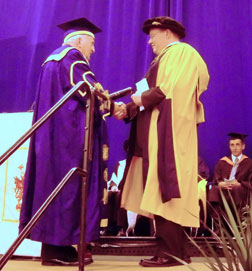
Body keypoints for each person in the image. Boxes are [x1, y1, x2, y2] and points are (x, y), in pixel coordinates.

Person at [19, 17, 120, 266]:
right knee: (70, 190)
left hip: (51, 138)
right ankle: (60, 248)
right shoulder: (72, 58)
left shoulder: (50, 62)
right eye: (92, 43)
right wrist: (113, 104)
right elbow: (91, 92)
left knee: (52, 189)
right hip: (70, 140)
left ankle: (53, 250)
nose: (93, 50)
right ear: (78, 41)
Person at [115, 16, 210, 267]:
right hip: (162, 132)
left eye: (153, 35)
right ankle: (175, 251)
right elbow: (156, 92)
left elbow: (165, 92)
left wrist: (135, 101)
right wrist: (128, 108)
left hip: (168, 134)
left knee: (166, 189)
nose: (149, 41)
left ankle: (170, 253)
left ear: (167, 33)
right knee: (162, 191)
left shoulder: (180, 53)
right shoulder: (169, 56)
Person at [208, 133, 252, 218]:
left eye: (237, 145)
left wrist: (240, 184)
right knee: (213, 190)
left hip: (241, 191)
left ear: (243, 146)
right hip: (224, 190)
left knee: (236, 189)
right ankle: (219, 224)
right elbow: (216, 179)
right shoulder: (222, 162)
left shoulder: (249, 163)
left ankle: (238, 224)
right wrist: (220, 184)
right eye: (232, 145)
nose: (235, 148)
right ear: (229, 147)